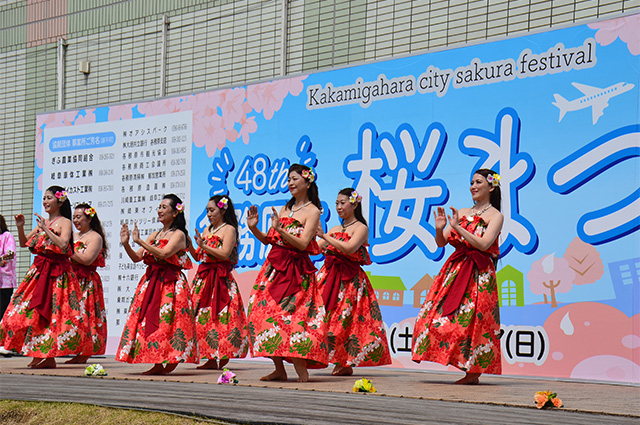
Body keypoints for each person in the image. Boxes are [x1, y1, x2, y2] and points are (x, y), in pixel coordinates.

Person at [412, 169, 504, 384]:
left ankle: (473, 371)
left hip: (479, 274)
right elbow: (441, 242)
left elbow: (484, 244)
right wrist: (440, 228)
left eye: (478, 182)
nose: (473, 185)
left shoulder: (495, 216)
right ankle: (452, 359)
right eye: (471, 181)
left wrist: (458, 228)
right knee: (434, 318)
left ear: (491, 187)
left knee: (474, 322)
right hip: (455, 270)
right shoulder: (462, 211)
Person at [247, 164, 328, 382]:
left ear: (307, 182)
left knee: (293, 318)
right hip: (273, 268)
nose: (290, 183)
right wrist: (254, 228)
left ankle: (301, 368)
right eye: (289, 179)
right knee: (261, 313)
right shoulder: (285, 209)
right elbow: (270, 240)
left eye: (295, 179)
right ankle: (279, 368)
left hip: (296, 271)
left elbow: (303, 244)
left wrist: (281, 230)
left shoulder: (313, 211)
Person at [0, 186, 90, 368]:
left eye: (49, 198)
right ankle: (38, 353)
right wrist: (20, 227)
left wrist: (45, 230)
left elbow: (64, 245)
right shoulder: (44, 222)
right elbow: (26, 243)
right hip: (39, 272)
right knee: (25, 312)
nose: (45, 202)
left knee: (53, 315)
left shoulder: (64, 222)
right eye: (44, 198)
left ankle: (48, 357)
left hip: (58, 274)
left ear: (60, 201)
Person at [117, 194, 198, 375]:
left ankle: (168, 359)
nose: (159, 211)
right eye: (159, 207)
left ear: (176, 212)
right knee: (149, 321)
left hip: (171, 284)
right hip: (152, 282)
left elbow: (164, 254)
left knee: (169, 322)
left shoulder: (179, 234)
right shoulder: (156, 234)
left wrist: (140, 241)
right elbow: (137, 257)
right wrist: (127, 244)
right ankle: (156, 360)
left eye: (164, 207)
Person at [316, 188, 391, 376]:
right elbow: (314, 249)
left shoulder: (361, 228)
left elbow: (350, 249)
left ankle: (345, 361)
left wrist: (324, 236)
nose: (339, 207)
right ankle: (323, 356)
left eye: (343, 203)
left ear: (355, 203)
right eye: (337, 203)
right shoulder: (334, 229)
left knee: (346, 320)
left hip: (350, 281)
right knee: (324, 316)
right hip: (329, 276)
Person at [189, 195, 249, 369]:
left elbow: (223, 254)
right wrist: (191, 246)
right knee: (204, 319)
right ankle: (209, 357)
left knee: (222, 318)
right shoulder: (208, 230)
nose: (208, 214)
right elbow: (199, 256)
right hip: (205, 279)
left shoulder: (229, 229)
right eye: (207, 210)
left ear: (222, 210)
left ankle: (223, 355)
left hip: (221, 279)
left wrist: (204, 245)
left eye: (212, 210)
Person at [66, 203, 108, 364]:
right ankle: (74, 347)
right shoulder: (73, 236)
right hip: (71, 279)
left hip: (86, 280)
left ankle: (85, 352)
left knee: (86, 315)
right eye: (74, 217)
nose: (75, 220)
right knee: (71, 315)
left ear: (89, 218)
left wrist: (66, 250)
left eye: (79, 217)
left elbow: (87, 259)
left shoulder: (95, 237)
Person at [0, 214, 17, 356]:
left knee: (3, 312)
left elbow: (10, 253)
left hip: (4, 282)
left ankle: (6, 345)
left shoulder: (7, 236)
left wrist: (2, 259)